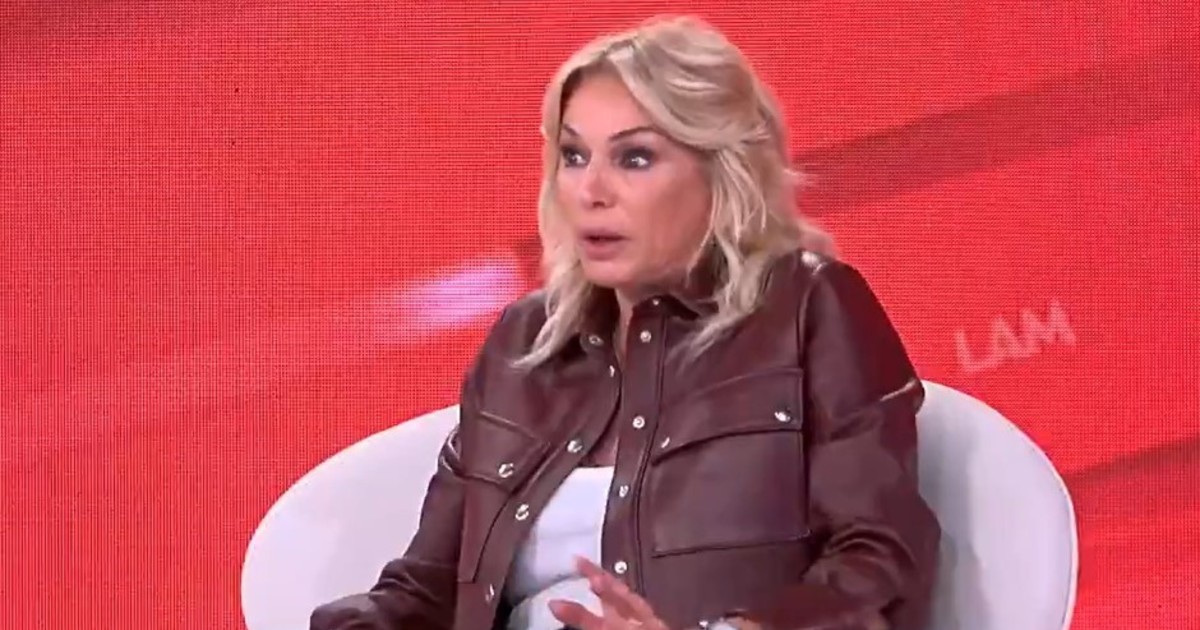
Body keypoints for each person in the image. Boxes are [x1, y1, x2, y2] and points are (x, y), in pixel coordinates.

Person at [312, 14, 940, 630]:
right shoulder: (522, 343)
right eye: (573, 155)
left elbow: (879, 562)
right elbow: (428, 587)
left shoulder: (808, 308)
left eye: (634, 158)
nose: (591, 190)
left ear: (722, 171)